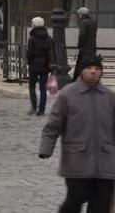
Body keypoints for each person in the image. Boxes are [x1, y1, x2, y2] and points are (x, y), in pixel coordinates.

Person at [39, 55, 115, 212]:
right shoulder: (68, 94)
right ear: (81, 71)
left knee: (101, 204)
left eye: (97, 69)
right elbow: (53, 125)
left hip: (106, 161)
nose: (93, 72)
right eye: (89, 68)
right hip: (77, 160)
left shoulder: (109, 96)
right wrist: (46, 149)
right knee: (76, 199)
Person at [26, 16, 56, 116]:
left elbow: (29, 53)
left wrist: (29, 62)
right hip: (45, 65)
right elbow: (52, 52)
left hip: (34, 64)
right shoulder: (49, 38)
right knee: (43, 87)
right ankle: (41, 110)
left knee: (32, 86)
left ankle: (34, 106)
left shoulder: (32, 38)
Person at [74, 7, 98, 81]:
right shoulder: (93, 22)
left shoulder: (83, 22)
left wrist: (79, 44)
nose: (78, 16)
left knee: (80, 66)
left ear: (81, 14)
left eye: (79, 14)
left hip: (84, 48)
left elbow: (82, 34)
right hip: (92, 47)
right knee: (89, 65)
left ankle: (77, 81)